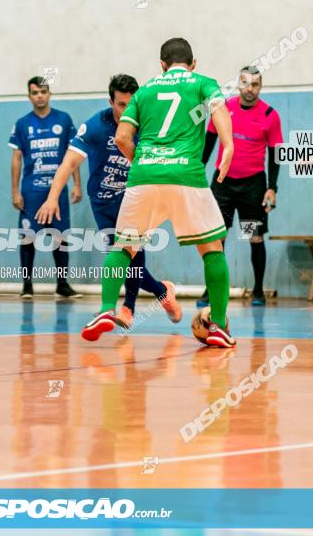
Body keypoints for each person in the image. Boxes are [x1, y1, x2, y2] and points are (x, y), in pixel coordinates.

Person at [80, 37, 237, 347]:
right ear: (193, 64)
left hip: (144, 176)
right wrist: (229, 144)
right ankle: (218, 324)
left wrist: (143, 163)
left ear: (162, 66)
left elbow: (123, 137)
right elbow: (219, 111)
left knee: (123, 248)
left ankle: (104, 310)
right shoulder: (203, 82)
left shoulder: (145, 91)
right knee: (212, 250)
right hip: (185, 175)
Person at [35, 74, 181, 328]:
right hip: (102, 201)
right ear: (111, 101)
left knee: (129, 252)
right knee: (123, 260)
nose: (126, 110)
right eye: (121, 104)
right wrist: (51, 197)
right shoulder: (96, 126)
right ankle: (162, 292)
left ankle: (128, 308)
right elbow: (69, 162)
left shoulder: (147, 125)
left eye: (131, 104)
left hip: (135, 196)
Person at [201, 66, 283, 306]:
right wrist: (195, 177)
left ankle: (258, 291)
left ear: (261, 86)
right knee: (218, 239)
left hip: (252, 188)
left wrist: (272, 188)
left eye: (255, 84)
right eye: (245, 83)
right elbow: (208, 146)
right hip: (223, 185)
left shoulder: (269, 115)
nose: (250, 89)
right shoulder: (224, 109)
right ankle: (211, 291)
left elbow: (274, 154)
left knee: (253, 237)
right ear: (238, 84)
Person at [9, 77, 81, 299]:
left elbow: (73, 154)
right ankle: (27, 286)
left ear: (49, 94)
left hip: (57, 192)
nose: (39, 96)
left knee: (60, 237)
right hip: (31, 191)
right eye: (34, 92)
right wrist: (15, 191)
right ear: (29, 96)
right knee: (28, 237)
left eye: (43, 91)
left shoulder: (64, 119)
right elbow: (17, 157)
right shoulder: (22, 124)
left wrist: (77, 184)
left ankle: (62, 285)